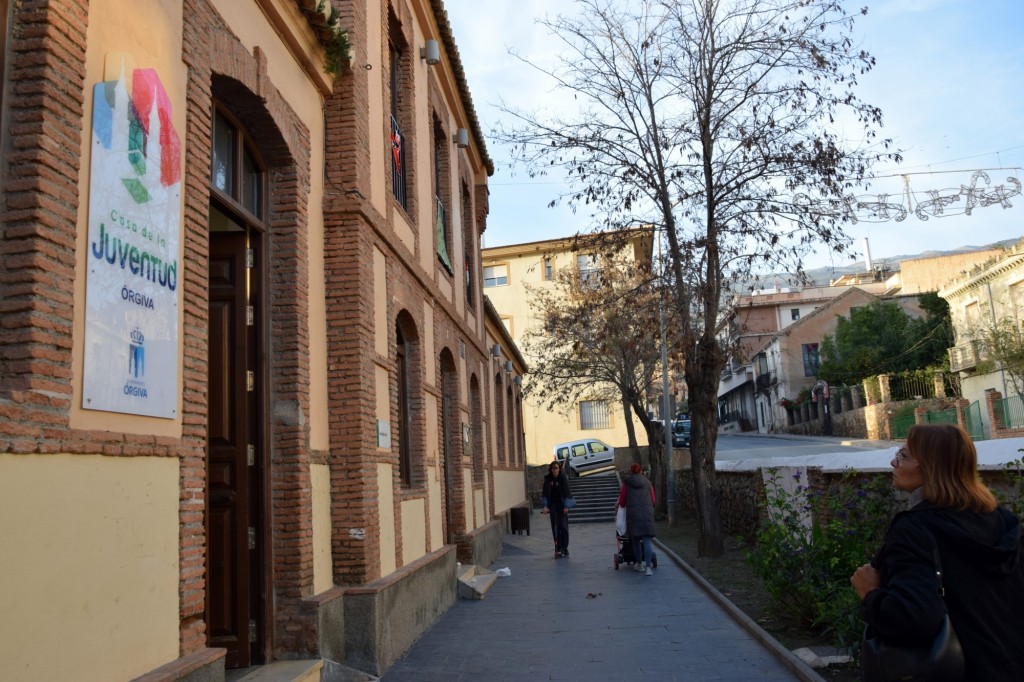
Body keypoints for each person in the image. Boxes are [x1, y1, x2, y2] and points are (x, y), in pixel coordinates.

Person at [850, 424, 1024, 681]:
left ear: (931, 467)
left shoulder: (913, 530)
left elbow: (913, 617)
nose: (893, 462)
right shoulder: (1003, 522)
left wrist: (870, 595)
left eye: (904, 456)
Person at [616, 462, 656, 576]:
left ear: (631, 471)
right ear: (641, 471)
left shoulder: (626, 483)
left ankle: (639, 564)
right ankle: (648, 568)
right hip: (647, 514)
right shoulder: (648, 483)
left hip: (633, 515)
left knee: (636, 540)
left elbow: (622, 502)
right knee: (647, 540)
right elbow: (653, 500)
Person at [541, 461, 572, 558]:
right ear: (551, 469)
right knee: (555, 527)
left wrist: (566, 506)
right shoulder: (548, 479)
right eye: (553, 468)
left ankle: (564, 547)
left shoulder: (563, 478)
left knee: (563, 526)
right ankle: (557, 547)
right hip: (553, 505)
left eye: (557, 468)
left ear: (559, 469)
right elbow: (545, 494)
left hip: (562, 504)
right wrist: (545, 506)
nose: (555, 470)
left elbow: (567, 492)